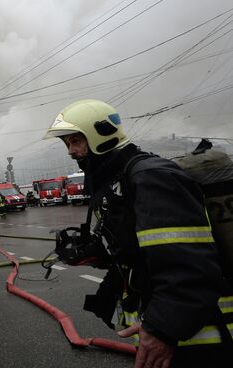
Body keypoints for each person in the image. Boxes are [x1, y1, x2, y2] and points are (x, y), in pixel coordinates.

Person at [45, 99, 232, 367]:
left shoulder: (150, 178)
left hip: (200, 338)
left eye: (76, 141)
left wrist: (161, 330)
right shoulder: (120, 181)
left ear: (100, 136)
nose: (71, 151)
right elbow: (140, 252)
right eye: (67, 144)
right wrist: (97, 254)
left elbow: (188, 266)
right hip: (182, 333)